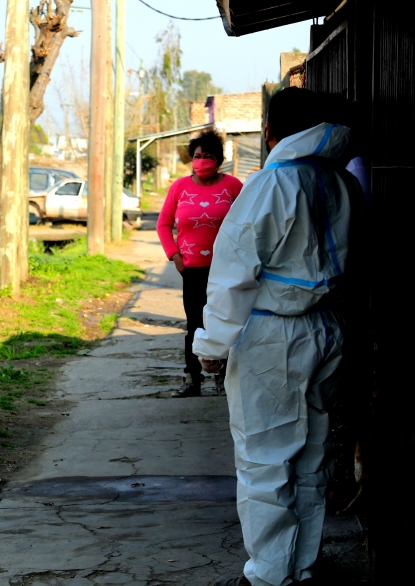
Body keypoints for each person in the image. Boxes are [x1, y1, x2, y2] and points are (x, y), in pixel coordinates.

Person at [193, 88, 360, 586]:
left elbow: (233, 274)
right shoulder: (343, 183)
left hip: (274, 335)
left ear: (271, 133)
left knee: (265, 459)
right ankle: (300, 566)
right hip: (329, 330)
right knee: (311, 456)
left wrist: (211, 347)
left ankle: (268, 577)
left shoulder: (271, 185)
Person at [156, 129, 243, 398]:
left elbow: (247, 223)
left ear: (219, 159)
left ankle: (222, 377)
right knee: (194, 325)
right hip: (191, 270)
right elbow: (163, 224)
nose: (201, 160)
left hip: (226, 270)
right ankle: (192, 379)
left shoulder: (234, 187)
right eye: (196, 156)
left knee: (225, 322)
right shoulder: (179, 188)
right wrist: (175, 256)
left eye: (207, 155)